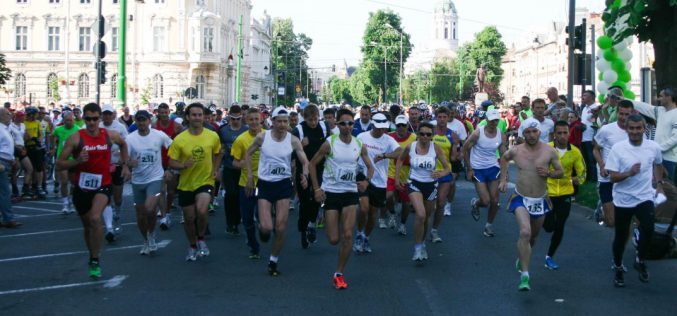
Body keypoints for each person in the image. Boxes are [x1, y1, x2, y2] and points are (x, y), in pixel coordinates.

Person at [56, 102, 130, 278]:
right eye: (88, 119)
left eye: (95, 119)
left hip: (103, 184)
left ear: (100, 118)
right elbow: (59, 164)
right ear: (83, 118)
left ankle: (96, 259)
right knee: (87, 225)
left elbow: (123, 145)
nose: (91, 122)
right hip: (81, 187)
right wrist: (77, 161)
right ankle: (92, 255)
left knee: (96, 218)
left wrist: (125, 165)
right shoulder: (75, 138)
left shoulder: (109, 135)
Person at [309, 108, 374, 289]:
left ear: (354, 125)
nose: (347, 126)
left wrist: (366, 182)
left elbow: (370, 167)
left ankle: (339, 273)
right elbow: (312, 164)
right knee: (333, 239)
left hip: (350, 193)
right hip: (331, 193)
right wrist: (316, 188)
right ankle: (326, 216)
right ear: (337, 124)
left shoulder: (359, 144)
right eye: (343, 123)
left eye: (350, 123)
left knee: (347, 235)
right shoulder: (330, 143)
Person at [499, 117, 564, 291]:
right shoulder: (516, 150)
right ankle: (525, 276)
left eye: (534, 131)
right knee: (525, 232)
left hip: (540, 200)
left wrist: (549, 173)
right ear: (523, 133)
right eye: (527, 132)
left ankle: (522, 258)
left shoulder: (549, 151)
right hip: (520, 197)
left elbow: (560, 172)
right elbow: (503, 158)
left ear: (539, 132)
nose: (531, 135)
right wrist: (503, 178)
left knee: (533, 238)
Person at [244, 106, 309, 276]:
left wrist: (305, 175)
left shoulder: (293, 140)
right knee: (266, 228)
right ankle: (263, 230)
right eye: (279, 121)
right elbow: (248, 154)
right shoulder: (262, 137)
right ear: (272, 122)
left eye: (285, 121)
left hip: (283, 185)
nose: (282, 124)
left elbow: (304, 160)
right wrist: (250, 176)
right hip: (265, 184)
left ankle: (273, 261)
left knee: (280, 227)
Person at [606, 114, 664, 287]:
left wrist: (659, 183)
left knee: (649, 227)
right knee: (621, 236)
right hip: (623, 199)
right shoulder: (618, 148)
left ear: (644, 129)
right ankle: (617, 266)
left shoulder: (653, 147)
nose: (635, 132)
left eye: (638, 128)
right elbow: (612, 178)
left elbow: (658, 164)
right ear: (626, 129)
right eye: (631, 128)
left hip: (644, 196)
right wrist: (628, 173)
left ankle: (640, 259)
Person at [168, 103, 222, 261]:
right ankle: (192, 245)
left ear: (204, 117)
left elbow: (218, 153)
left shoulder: (212, 136)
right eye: (194, 115)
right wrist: (183, 165)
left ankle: (201, 239)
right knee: (189, 218)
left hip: (205, 181)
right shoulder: (180, 139)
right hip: (186, 183)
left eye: (200, 115)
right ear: (187, 117)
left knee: (202, 210)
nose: (197, 118)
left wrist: (216, 169)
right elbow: (171, 162)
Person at [396, 122, 450, 261]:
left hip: (431, 186)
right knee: (420, 215)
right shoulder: (411, 146)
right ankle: (417, 248)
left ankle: (423, 243)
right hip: (414, 184)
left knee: (426, 218)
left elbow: (447, 167)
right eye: (422, 134)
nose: (425, 137)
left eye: (428, 134)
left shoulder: (436, 148)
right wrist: (397, 178)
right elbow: (400, 160)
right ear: (418, 134)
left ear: (432, 136)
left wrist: (441, 174)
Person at [354, 112, 403, 253]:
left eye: (384, 128)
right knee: (364, 208)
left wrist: (385, 155)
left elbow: (400, 152)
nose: (381, 130)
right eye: (379, 128)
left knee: (373, 214)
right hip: (362, 176)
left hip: (380, 181)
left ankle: (366, 237)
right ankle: (358, 233)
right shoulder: (362, 137)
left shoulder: (388, 140)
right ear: (373, 125)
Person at [126, 110, 173, 255]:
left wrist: (168, 168)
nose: (141, 123)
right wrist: (129, 163)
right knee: (140, 214)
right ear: (135, 121)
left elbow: (173, 147)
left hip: (156, 178)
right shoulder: (130, 138)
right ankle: (146, 239)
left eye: (144, 120)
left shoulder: (158, 135)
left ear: (149, 121)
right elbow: (125, 158)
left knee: (149, 208)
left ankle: (151, 234)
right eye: (139, 120)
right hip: (138, 179)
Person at [543, 121, 586, 270]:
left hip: (566, 193)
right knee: (549, 227)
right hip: (548, 193)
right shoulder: (546, 149)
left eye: (565, 132)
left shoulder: (575, 151)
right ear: (554, 134)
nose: (562, 136)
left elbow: (583, 173)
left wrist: (576, 180)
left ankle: (549, 256)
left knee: (560, 225)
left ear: (569, 133)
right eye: (559, 133)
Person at [463, 109, 507, 237]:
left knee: (495, 201)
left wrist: (505, 174)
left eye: (496, 120)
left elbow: (504, 155)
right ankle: (476, 203)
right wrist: (469, 169)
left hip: (493, 167)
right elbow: (465, 149)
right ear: (486, 120)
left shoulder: (500, 134)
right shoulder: (478, 133)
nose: (494, 122)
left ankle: (488, 225)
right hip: (478, 169)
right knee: (486, 201)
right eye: (491, 120)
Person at [291, 104, 330, 249]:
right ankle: (302, 230)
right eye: (310, 120)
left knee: (317, 197)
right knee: (304, 200)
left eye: (315, 119)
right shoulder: (299, 130)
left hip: (320, 168)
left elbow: (330, 145)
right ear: (305, 118)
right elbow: (291, 153)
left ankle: (311, 223)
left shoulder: (324, 127)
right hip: (304, 168)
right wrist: (301, 144)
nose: (313, 123)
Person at [593, 100, 634, 227]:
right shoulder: (606, 130)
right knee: (611, 222)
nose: (623, 117)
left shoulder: (635, 131)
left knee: (624, 220)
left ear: (632, 114)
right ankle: (603, 207)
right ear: (617, 113)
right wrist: (601, 165)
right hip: (607, 177)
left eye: (627, 114)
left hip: (625, 178)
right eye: (621, 114)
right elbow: (595, 149)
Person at [231, 107, 265, 259]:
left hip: (265, 182)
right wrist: (244, 164)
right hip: (246, 183)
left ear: (261, 120)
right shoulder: (241, 140)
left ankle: (263, 231)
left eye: (256, 119)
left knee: (262, 216)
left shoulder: (268, 136)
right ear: (246, 120)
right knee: (247, 218)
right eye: (251, 119)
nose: (254, 122)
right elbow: (234, 163)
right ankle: (253, 245)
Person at [630, 87, 677, 182]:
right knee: (656, 185)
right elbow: (643, 107)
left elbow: (675, 138)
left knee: (668, 188)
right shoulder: (660, 111)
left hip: (670, 160)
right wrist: (624, 99)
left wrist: (657, 148)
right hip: (657, 157)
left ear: (669, 97)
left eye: (661, 96)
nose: (658, 99)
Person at [429, 107, 459, 242]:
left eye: (444, 117)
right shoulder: (430, 133)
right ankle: (424, 226)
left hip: (445, 172)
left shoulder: (452, 135)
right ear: (436, 118)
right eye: (439, 117)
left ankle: (434, 230)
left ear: (448, 118)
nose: (441, 119)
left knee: (441, 203)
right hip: (430, 173)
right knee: (429, 205)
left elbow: (453, 157)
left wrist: (460, 154)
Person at [101, 105, 129, 242]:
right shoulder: (98, 126)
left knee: (117, 196)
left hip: (117, 164)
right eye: (104, 114)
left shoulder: (120, 127)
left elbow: (126, 143)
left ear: (113, 114)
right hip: (102, 166)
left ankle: (117, 211)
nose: (106, 116)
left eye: (109, 114)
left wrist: (124, 162)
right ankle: (109, 227)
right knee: (106, 195)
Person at [218, 104, 247, 235]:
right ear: (229, 118)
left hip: (243, 168)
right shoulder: (223, 130)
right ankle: (231, 223)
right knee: (231, 194)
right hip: (229, 167)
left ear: (242, 118)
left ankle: (238, 218)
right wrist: (218, 167)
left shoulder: (246, 130)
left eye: (238, 118)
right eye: (233, 118)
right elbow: (220, 150)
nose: (235, 121)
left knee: (241, 196)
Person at [386, 115, 416, 235]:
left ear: (407, 126)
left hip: (407, 174)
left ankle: (402, 224)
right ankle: (392, 214)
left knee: (406, 203)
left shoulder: (413, 137)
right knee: (388, 196)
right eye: (398, 125)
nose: (401, 127)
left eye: (403, 125)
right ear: (395, 126)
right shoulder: (390, 137)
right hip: (391, 171)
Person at [154, 103, 182, 230]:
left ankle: (168, 211)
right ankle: (164, 215)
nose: (164, 115)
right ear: (158, 113)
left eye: (166, 113)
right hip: (159, 161)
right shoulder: (154, 126)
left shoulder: (175, 125)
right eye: (162, 113)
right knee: (161, 190)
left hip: (172, 161)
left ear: (169, 112)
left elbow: (184, 139)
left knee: (171, 191)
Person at [50, 111, 79, 214]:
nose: (69, 122)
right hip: (62, 159)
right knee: (64, 181)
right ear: (64, 121)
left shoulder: (78, 130)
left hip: (73, 160)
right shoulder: (59, 129)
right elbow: (52, 135)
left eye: (70, 120)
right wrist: (53, 147)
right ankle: (65, 203)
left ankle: (71, 200)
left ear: (73, 120)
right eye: (67, 120)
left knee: (74, 183)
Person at [0, 108, 21, 228]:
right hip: (1, 162)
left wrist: (12, 158)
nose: (10, 116)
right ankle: (8, 219)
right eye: (8, 114)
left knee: (2, 192)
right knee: (5, 192)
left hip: (6, 161)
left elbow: (6, 146)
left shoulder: (5, 128)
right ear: (1, 116)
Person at [580, 90, 599, 182]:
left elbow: (594, 122)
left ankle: (594, 178)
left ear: (591, 97)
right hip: (583, 137)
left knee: (592, 159)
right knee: (585, 159)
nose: (583, 97)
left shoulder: (596, 108)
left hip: (591, 137)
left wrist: (594, 138)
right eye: (583, 95)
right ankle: (587, 177)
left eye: (585, 95)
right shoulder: (584, 108)